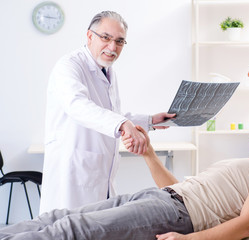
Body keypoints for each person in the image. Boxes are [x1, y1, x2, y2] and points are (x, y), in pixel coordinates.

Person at [0, 123, 249, 240]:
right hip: (165, 198)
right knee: (57, 218)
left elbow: (248, 224)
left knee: (71, 231)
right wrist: (150, 154)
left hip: (177, 215)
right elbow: (182, 188)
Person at [40, 11, 175, 214]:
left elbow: (110, 113)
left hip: (99, 174)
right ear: (89, 36)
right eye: (106, 38)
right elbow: (77, 105)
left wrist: (150, 120)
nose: (112, 47)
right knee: (67, 230)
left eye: (119, 41)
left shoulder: (107, 71)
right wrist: (122, 125)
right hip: (73, 172)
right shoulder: (69, 66)